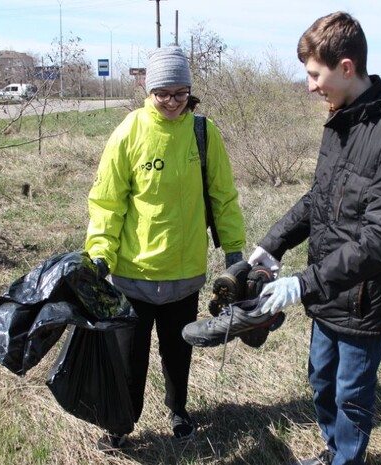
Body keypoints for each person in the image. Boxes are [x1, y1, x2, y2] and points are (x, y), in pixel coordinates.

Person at [249, 12, 381, 465]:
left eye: (314, 74)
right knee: (322, 381)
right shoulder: (342, 119)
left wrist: (303, 283)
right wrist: (272, 243)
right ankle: (332, 451)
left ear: (346, 67)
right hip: (329, 291)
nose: (310, 85)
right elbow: (319, 200)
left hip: (364, 297)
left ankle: (347, 459)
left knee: (351, 395)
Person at [84, 45, 246, 451]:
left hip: (183, 271)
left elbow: (223, 196)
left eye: (180, 93)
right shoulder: (129, 132)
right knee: (129, 359)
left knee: (178, 352)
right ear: (149, 91)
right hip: (133, 272)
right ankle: (122, 422)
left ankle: (179, 410)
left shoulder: (203, 134)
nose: (173, 102)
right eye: (163, 94)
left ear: (189, 91)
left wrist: (234, 251)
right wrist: (100, 250)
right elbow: (108, 201)